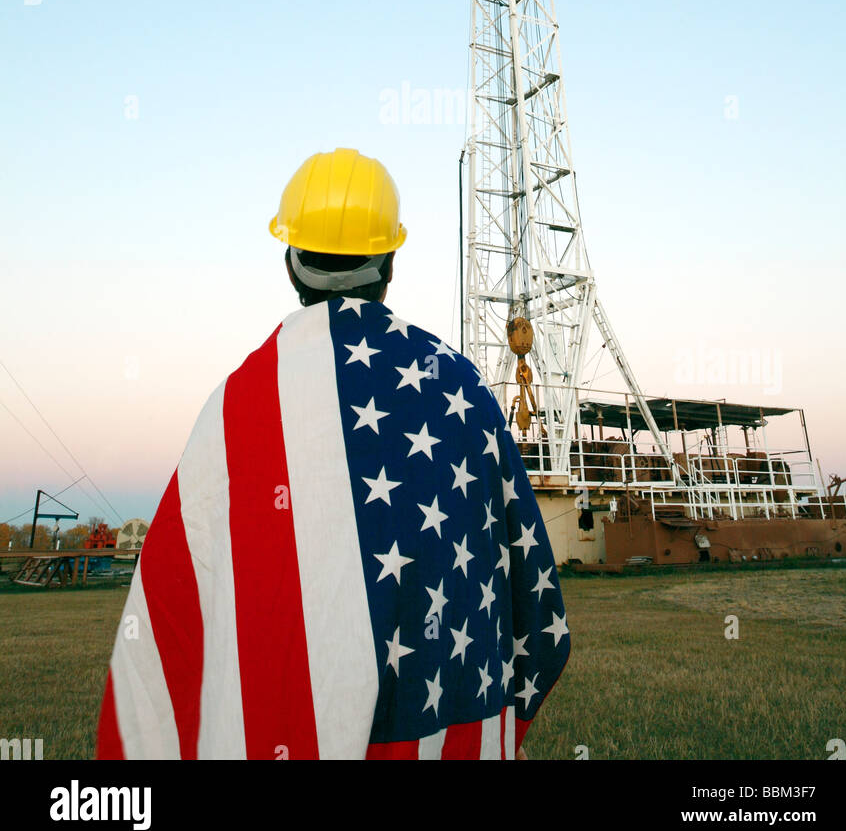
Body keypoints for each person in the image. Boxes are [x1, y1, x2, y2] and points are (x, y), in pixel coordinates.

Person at [96, 148, 569, 760]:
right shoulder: (463, 387)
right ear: (390, 262)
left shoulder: (238, 405)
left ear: (290, 264)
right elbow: (529, 595)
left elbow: (175, 608)